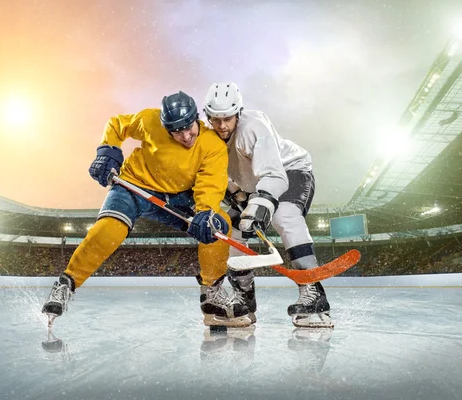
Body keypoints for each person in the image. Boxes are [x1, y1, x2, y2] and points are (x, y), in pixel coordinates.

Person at [42, 91, 252, 328]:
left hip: (178, 198)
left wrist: (205, 211)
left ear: (197, 119)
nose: (185, 136)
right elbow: (117, 124)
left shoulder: (212, 145)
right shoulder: (150, 121)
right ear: (165, 127)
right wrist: (107, 151)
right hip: (133, 188)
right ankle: (66, 283)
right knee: (109, 230)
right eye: (176, 131)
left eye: (189, 127)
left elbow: (210, 183)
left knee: (216, 226)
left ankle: (212, 293)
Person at [203, 82, 333, 328]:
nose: (222, 126)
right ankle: (244, 299)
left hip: (290, 170)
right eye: (215, 119)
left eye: (227, 118)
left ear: (238, 113)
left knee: (283, 215)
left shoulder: (252, 128)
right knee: (233, 230)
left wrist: (260, 205)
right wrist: (238, 197)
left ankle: (313, 291)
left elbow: (274, 176)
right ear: (208, 116)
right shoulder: (207, 139)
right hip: (253, 187)